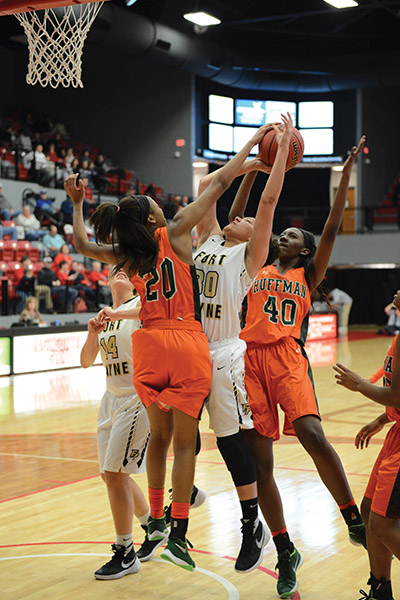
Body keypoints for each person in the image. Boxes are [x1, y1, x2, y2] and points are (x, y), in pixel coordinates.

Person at [64, 123, 271, 571]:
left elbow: (80, 242)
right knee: (184, 445)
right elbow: (216, 183)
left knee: (158, 439)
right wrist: (250, 149)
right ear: (155, 218)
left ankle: (155, 519)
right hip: (186, 340)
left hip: (148, 346)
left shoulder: (127, 253)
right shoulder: (175, 233)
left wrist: (77, 204)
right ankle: (178, 532)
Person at [235, 136, 366, 598]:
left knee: (312, 434)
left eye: (291, 236)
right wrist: (252, 168)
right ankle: (285, 548)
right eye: (282, 233)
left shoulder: (306, 276)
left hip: (288, 358)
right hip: (248, 362)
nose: (283, 236)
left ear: (304, 252)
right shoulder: (255, 265)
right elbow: (238, 218)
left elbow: (330, 228)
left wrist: (344, 176)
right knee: (261, 464)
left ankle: (353, 517)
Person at [193, 114, 292, 573]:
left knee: (233, 445)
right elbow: (212, 183)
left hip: (227, 355)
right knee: (176, 432)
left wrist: (279, 157)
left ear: (260, 239)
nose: (247, 217)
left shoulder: (249, 258)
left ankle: (251, 525)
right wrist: (253, 152)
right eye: (244, 216)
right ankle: (179, 502)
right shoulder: (209, 238)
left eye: (253, 220)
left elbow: (269, 202)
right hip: (193, 350)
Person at [80, 270, 151, 580]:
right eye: (113, 269)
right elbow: (85, 361)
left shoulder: (141, 306)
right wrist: (92, 332)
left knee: (115, 474)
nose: (119, 270)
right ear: (106, 280)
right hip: (111, 398)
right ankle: (153, 525)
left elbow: (160, 311)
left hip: (137, 398)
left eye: (126, 267)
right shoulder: (103, 315)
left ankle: (126, 552)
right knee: (110, 477)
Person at [333, 289, 400, 600]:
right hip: (395, 434)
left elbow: (397, 396)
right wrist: (382, 420)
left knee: (383, 524)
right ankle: (380, 590)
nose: (397, 290)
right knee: (369, 510)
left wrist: (360, 385)